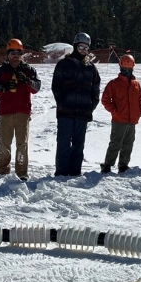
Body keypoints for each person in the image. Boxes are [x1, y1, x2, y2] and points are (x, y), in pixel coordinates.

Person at [0, 38, 41, 180]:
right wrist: (3, 88)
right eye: (12, 52)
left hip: (22, 113)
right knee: (4, 144)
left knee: (22, 144)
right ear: (7, 54)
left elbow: (36, 88)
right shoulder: (1, 72)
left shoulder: (28, 70)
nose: (15, 55)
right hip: (5, 113)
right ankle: (2, 171)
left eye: (18, 52)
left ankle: (21, 172)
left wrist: (27, 82)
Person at [51, 32, 101, 176]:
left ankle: (75, 172)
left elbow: (95, 89)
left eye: (86, 48)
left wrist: (91, 105)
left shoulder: (91, 68)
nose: (83, 50)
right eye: (81, 47)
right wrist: (61, 103)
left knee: (79, 145)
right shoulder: (63, 64)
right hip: (65, 112)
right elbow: (56, 86)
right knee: (64, 143)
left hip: (82, 113)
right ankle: (61, 173)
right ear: (75, 46)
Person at [100, 53, 141, 173]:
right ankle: (107, 165)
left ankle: (123, 165)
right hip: (119, 120)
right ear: (120, 68)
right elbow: (105, 99)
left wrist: (139, 112)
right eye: (124, 69)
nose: (127, 71)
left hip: (132, 120)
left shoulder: (136, 84)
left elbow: (140, 100)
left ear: (132, 68)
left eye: (129, 69)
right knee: (115, 143)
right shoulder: (113, 84)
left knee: (128, 144)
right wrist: (114, 111)